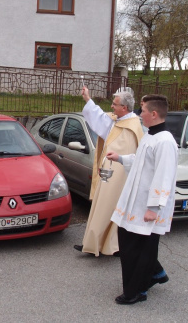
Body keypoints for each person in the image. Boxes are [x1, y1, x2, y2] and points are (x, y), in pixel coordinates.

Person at [107, 94, 178, 305]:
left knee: (138, 249)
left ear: (154, 114)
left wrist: (154, 208)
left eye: (143, 110)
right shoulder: (150, 136)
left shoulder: (165, 142)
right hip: (135, 204)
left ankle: (136, 291)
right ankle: (154, 275)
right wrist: (120, 158)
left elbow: (163, 176)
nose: (140, 114)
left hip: (148, 208)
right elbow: (140, 162)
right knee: (132, 245)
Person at [73, 86, 144, 256]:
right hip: (109, 176)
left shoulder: (132, 127)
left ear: (124, 108)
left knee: (109, 209)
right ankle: (96, 244)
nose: (111, 107)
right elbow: (99, 118)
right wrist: (87, 99)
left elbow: (131, 156)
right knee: (102, 208)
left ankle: (107, 245)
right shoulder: (118, 121)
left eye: (114, 104)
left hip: (119, 179)